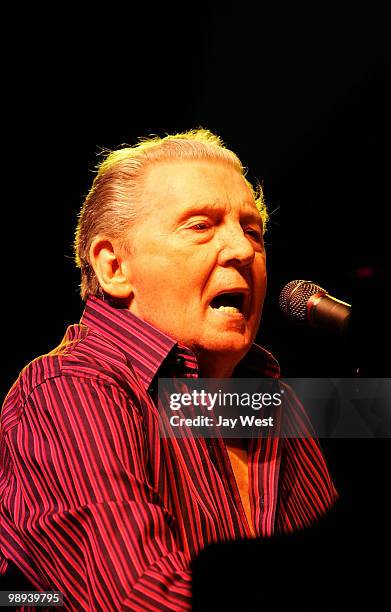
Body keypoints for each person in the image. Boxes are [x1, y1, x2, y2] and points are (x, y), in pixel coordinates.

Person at [0, 129, 337, 610]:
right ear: (115, 267)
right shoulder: (67, 389)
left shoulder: (274, 406)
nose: (242, 251)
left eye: (252, 230)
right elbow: (141, 599)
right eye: (200, 226)